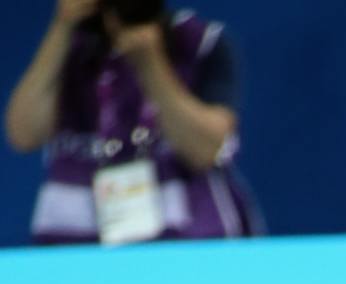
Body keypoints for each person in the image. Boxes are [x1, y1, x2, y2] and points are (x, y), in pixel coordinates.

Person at [4, 0, 260, 245]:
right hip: (76, 245)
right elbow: (23, 136)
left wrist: (150, 63)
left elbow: (205, 150)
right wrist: (61, 27)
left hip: (188, 242)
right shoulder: (69, 47)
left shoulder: (198, 43)